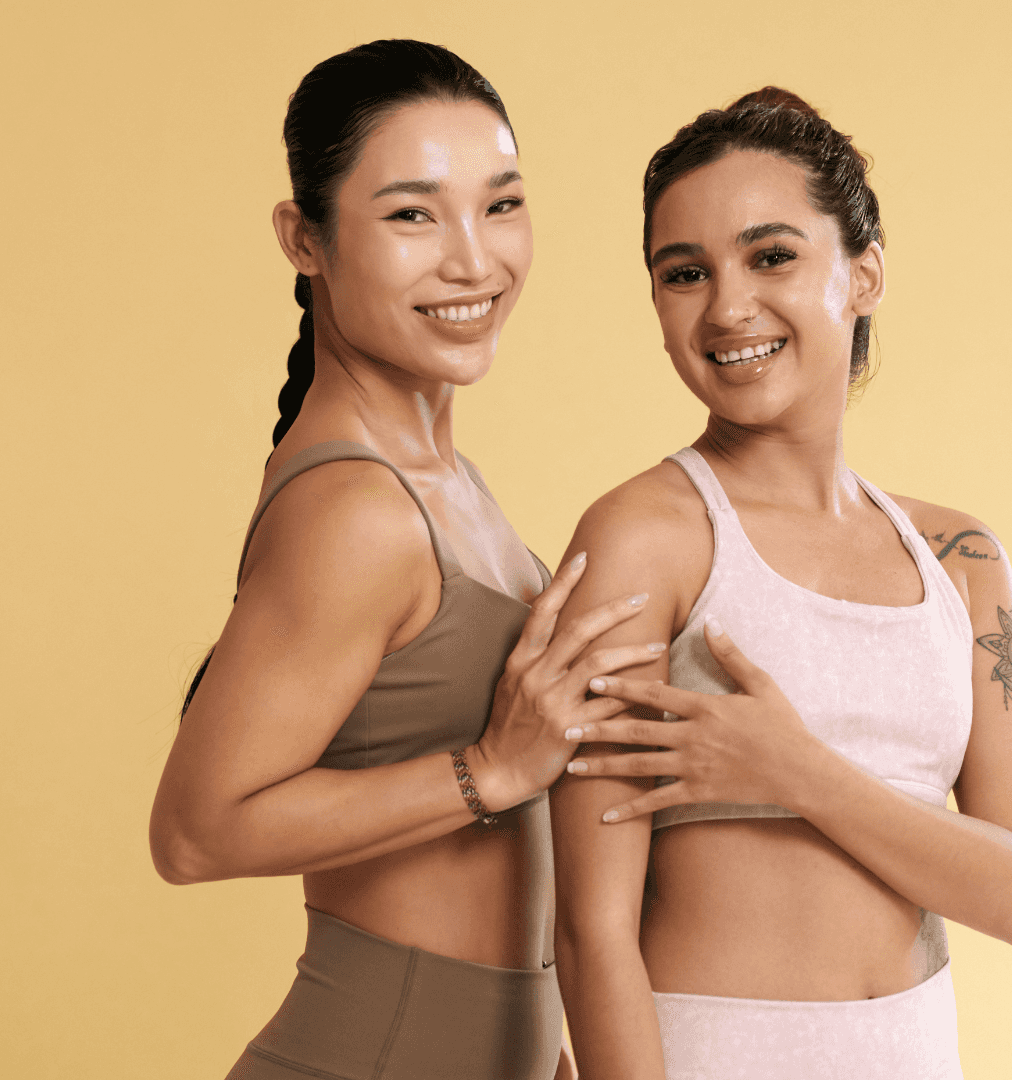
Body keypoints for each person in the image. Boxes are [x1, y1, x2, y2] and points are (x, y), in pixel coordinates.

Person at [148, 40, 658, 1080]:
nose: (473, 261)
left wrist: (542, 1044)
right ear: (305, 239)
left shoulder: (443, 481)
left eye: (500, 205)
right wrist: (493, 769)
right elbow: (195, 834)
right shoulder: (359, 510)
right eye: (413, 215)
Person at [548, 88, 1012, 1080]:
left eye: (771, 256)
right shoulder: (644, 541)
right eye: (685, 273)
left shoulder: (961, 559)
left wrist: (797, 772)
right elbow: (589, 931)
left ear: (864, 274)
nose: (727, 307)